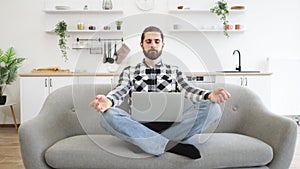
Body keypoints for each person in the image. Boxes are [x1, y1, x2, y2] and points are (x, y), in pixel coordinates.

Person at [90, 26, 231, 159]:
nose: (153, 45)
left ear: (162, 45)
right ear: (142, 45)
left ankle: (149, 143)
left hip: (172, 127)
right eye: (148, 41)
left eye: (157, 41)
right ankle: (170, 145)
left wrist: (209, 95)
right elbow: (120, 91)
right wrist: (108, 100)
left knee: (213, 108)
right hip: (139, 127)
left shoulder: (175, 71)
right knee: (106, 115)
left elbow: (189, 89)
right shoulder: (129, 72)